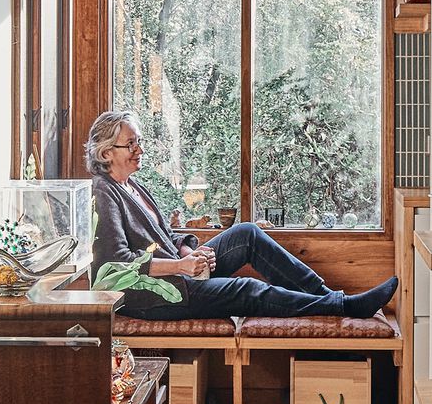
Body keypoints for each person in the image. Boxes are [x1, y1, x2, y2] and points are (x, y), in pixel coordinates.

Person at [87, 110, 398, 322]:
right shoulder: (102, 194)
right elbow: (114, 265)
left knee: (246, 233)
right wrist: (180, 266)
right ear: (105, 153)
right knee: (245, 289)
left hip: (177, 272)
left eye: (138, 140)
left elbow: (161, 237)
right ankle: (343, 307)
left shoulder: (132, 185)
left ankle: (331, 298)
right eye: (130, 143)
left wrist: (187, 250)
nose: (139, 149)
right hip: (155, 295)